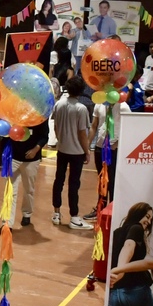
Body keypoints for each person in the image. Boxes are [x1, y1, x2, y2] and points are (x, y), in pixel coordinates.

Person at [107, 203, 153, 306]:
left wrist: (116, 273)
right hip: (136, 291)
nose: (148, 221)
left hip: (115, 293)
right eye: (147, 216)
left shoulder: (116, 232)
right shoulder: (136, 228)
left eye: (150, 219)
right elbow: (128, 247)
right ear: (137, 213)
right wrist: (120, 271)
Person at [52, 77, 93, 229]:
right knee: (74, 184)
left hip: (62, 149)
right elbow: (82, 133)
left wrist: (60, 139)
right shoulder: (81, 109)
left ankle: (56, 213)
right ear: (81, 91)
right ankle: (74, 217)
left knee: (59, 180)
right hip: (76, 152)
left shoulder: (59, 104)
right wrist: (87, 151)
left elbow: (56, 126)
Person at [7, 122, 48, 229]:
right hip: (14, 157)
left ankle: (27, 214)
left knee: (29, 189)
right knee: (10, 191)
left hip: (31, 160)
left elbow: (44, 136)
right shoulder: (14, 115)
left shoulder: (39, 117)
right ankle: (7, 223)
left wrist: (35, 150)